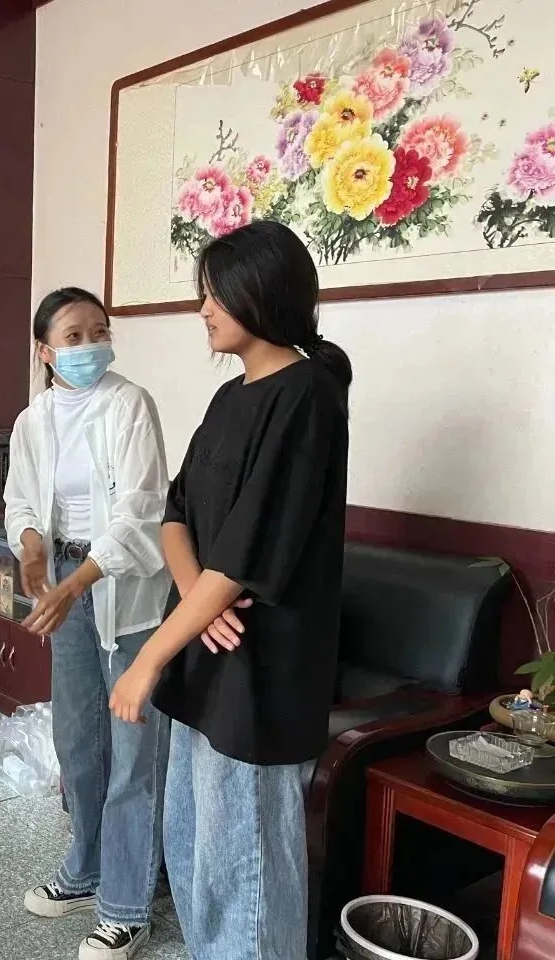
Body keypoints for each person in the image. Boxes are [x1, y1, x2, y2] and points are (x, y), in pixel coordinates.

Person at [108, 220, 351, 959]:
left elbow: (247, 556)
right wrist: (192, 602)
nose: (204, 309)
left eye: (215, 294)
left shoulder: (306, 397)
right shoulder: (228, 400)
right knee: (195, 850)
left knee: (246, 869)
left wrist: (149, 658)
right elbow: (175, 515)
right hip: (208, 652)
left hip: (261, 671)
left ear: (260, 293)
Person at [4, 287, 172, 960]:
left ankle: (128, 906)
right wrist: (31, 546)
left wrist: (77, 582)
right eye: (72, 336)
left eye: (98, 332)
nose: (89, 345)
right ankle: (87, 865)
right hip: (65, 579)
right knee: (77, 736)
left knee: (133, 747)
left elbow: (142, 510)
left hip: (121, 588)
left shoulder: (129, 404)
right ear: (45, 351)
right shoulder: (33, 419)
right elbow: (22, 498)